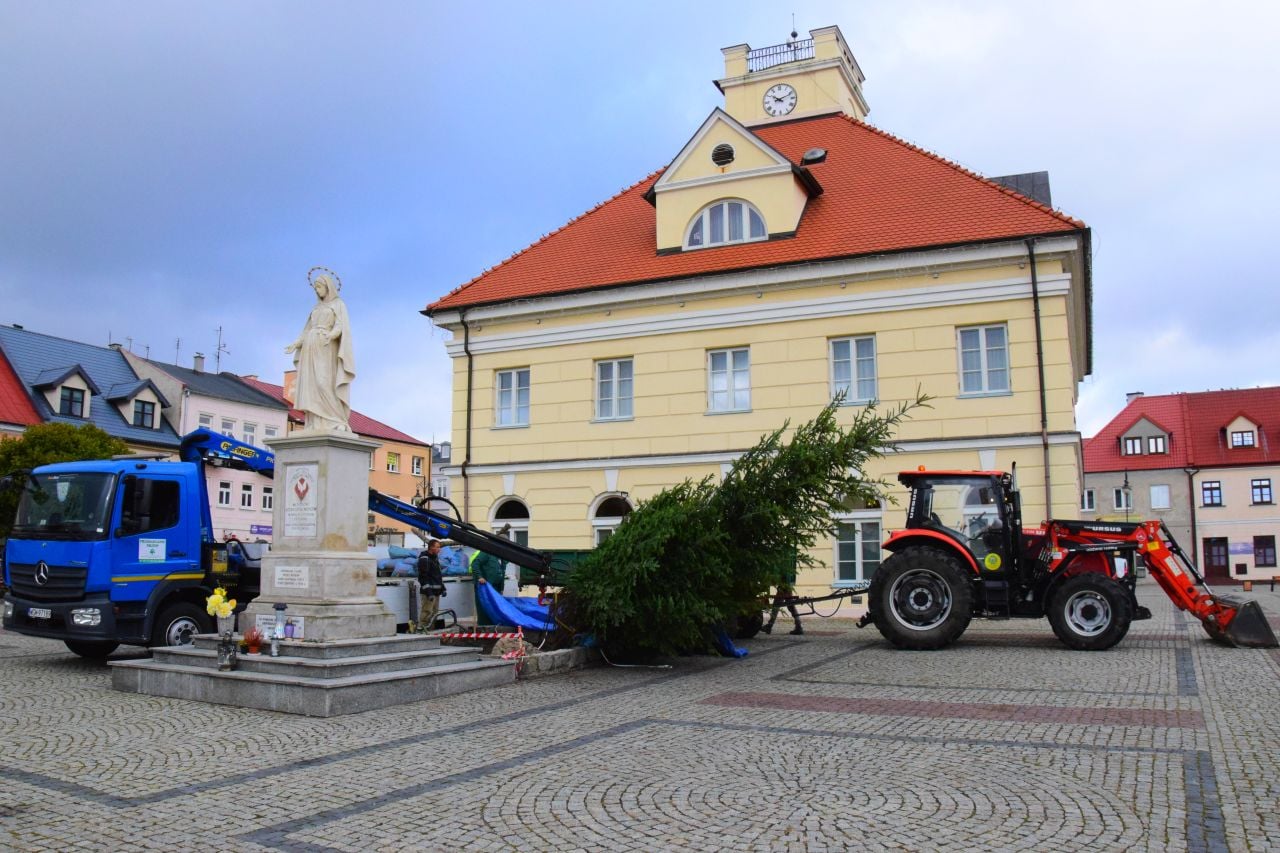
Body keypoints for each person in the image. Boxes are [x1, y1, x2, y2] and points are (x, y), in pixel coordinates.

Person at [285, 270, 354, 432]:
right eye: (315, 287)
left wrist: (331, 335)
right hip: (310, 347)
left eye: (319, 286)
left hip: (326, 347)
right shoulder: (316, 308)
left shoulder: (338, 305)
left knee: (325, 383)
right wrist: (296, 343)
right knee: (312, 384)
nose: (317, 290)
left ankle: (336, 419)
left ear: (327, 287)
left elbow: (340, 326)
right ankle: (315, 422)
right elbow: (307, 329)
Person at [762, 554, 803, 635]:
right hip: (786, 583)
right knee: (791, 605)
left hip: (784, 584)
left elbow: (778, 571)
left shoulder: (782, 557)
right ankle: (798, 626)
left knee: (777, 604)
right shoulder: (788, 557)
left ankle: (769, 626)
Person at [415, 539, 446, 632]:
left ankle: (430, 631)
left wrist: (443, 589)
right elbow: (423, 577)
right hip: (429, 593)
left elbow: (438, 576)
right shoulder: (425, 559)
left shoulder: (434, 558)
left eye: (439, 547)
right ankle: (421, 630)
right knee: (427, 612)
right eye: (437, 547)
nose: (439, 549)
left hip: (436, 592)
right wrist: (429, 592)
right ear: (431, 547)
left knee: (434, 613)